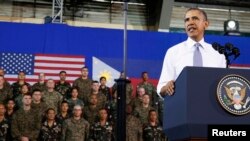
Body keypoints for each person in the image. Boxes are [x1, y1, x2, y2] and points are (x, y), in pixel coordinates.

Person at [157, 8, 226, 97]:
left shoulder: (218, 53)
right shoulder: (173, 52)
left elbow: (223, 86)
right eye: (187, 20)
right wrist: (166, 87)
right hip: (182, 106)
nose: (190, 22)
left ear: (206, 24)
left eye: (195, 18)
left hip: (211, 106)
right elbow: (161, 89)